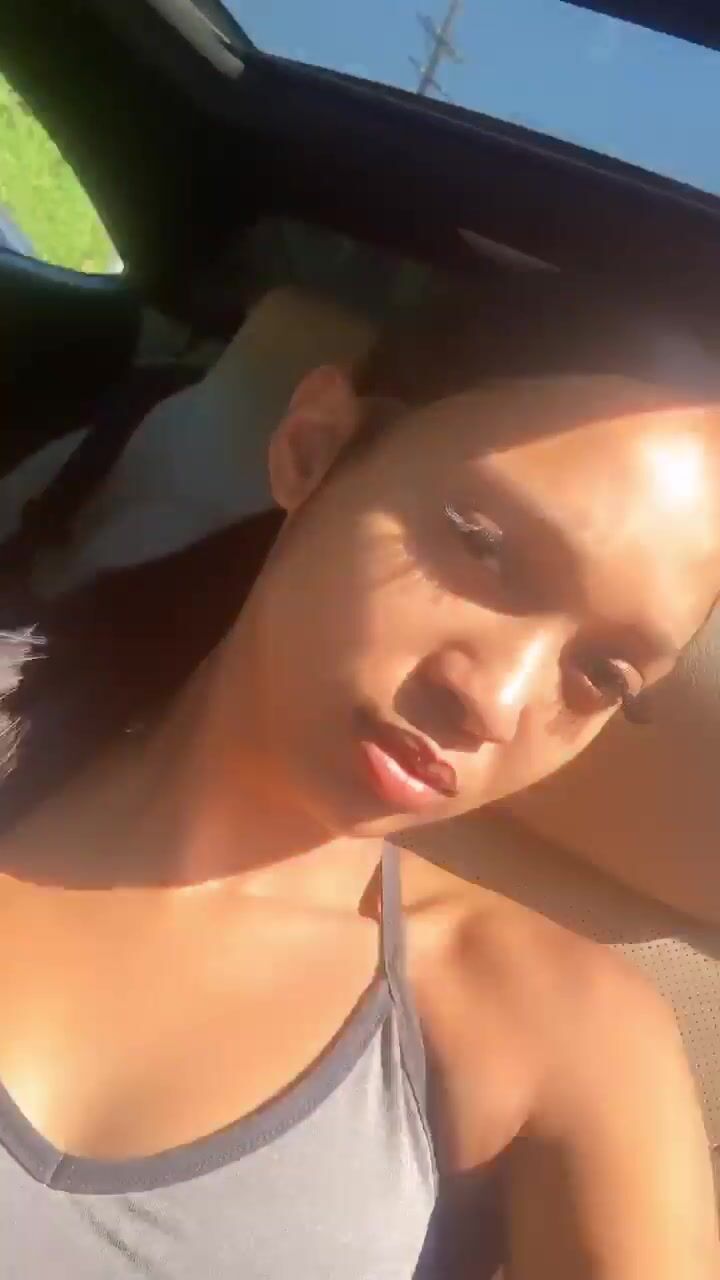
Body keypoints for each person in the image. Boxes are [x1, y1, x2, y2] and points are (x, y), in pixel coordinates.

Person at [0, 278, 718, 1279]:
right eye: (485, 547)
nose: (497, 701)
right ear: (315, 446)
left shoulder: (560, 1031)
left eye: (603, 674)